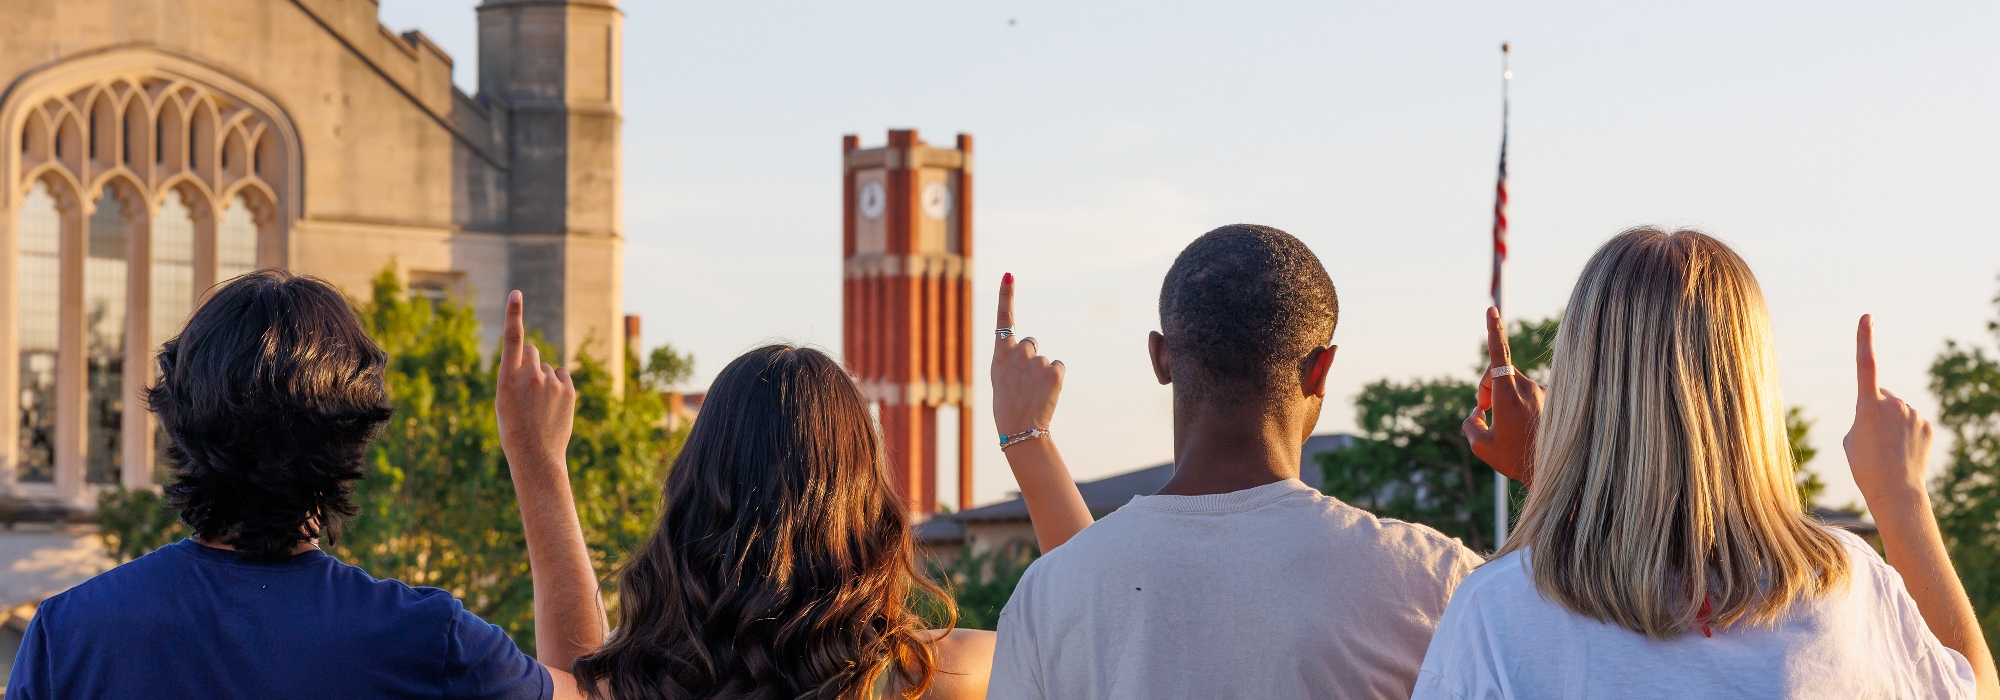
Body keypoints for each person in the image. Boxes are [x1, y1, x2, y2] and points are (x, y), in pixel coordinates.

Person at [1423, 228, 2000, 698]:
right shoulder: (1845, 586)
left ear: (1580, 385)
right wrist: (1901, 497)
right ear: (1752, 387)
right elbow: (1970, 689)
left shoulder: (1496, 613)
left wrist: (1554, 470)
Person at [4, 272, 604, 699]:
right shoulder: (429, 641)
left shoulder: (70, 635)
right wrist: (538, 459)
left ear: (176, 425)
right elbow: (587, 690)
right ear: (355, 434)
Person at [984, 225, 1485, 699]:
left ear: (1160, 357)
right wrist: (1540, 462)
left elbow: (1110, 583)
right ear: (1321, 368)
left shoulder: (1047, 597)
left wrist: (1025, 436)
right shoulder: (1435, 583)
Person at [565, 344, 1004, 700]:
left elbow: (568, 677)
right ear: (864, 500)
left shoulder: (630, 684)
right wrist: (1025, 436)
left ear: (694, 495)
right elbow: (1071, 633)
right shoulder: (932, 675)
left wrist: (542, 463)